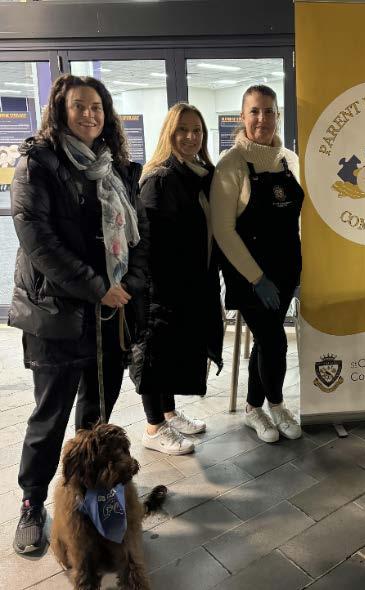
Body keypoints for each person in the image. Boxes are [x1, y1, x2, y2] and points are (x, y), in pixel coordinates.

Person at [8, 74, 149, 553]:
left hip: (109, 314)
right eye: (78, 106)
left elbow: (140, 235)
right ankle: (32, 502)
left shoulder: (119, 168)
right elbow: (38, 241)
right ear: (60, 110)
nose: (89, 114)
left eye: (96, 107)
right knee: (50, 416)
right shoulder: (37, 164)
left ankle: (92, 494)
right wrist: (97, 288)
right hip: (56, 315)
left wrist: (128, 285)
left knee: (96, 414)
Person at [211, 84, 303, 443]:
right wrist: (256, 277)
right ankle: (276, 405)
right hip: (249, 276)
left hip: (285, 272)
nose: (262, 118)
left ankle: (253, 408)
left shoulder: (290, 160)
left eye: (268, 111)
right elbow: (223, 229)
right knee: (275, 341)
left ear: (277, 115)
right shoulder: (231, 164)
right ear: (242, 116)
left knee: (266, 340)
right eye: (254, 111)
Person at [131, 103, 223, 455]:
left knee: (171, 354)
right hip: (163, 288)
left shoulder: (199, 174)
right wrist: (159, 290)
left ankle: (168, 413)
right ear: (169, 133)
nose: (190, 136)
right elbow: (149, 244)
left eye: (196, 130)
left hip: (190, 285)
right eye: (182, 129)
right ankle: (154, 427)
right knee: (155, 355)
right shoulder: (160, 179)